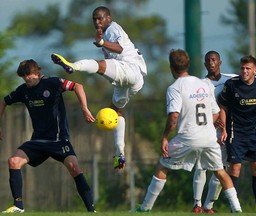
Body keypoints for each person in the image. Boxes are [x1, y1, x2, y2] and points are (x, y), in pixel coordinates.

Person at [130, 49, 242, 213]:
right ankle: (238, 209)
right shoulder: (204, 84)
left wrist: (165, 137)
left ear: (171, 67)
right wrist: (205, 127)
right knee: (220, 172)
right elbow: (216, 112)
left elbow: (174, 117)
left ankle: (145, 208)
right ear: (188, 65)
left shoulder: (175, 88)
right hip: (210, 138)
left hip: (187, 138)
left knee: (162, 167)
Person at [50, 6, 147, 170]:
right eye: (94, 18)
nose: (97, 21)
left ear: (108, 18)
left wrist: (102, 43)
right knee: (116, 112)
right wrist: (102, 43)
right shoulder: (104, 33)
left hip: (131, 69)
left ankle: (73, 66)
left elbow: (120, 48)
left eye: (100, 18)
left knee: (100, 66)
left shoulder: (113, 28)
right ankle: (120, 153)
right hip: (132, 81)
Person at [0, 59, 96, 213]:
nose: (26, 78)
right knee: (13, 161)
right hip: (38, 141)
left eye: (28, 75)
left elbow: (78, 86)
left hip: (58, 139)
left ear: (37, 73)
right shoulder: (23, 90)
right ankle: (18, 206)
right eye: (23, 76)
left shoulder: (53, 83)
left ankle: (91, 210)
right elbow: (3, 102)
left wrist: (85, 109)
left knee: (74, 167)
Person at [192, 51, 256, 213]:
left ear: (220, 62)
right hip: (213, 129)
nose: (211, 63)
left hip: (231, 130)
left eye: (214, 60)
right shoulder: (202, 83)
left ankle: (209, 206)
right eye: (208, 60)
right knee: (202, 167)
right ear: (204, 63)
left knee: (222, 168)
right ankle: (197, 204)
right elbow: (218, 105)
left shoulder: (230, 78)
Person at [218, 55, 256, 213]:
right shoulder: (231, 85)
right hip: (235, 133)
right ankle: (235, 208)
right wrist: (224, 129)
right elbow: (223, 106)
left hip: (253, 134)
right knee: (235, 169)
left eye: (247, 68)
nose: (244, 71)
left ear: (255, 70)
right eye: (242, 68)